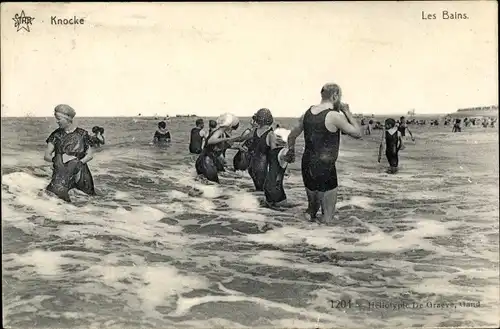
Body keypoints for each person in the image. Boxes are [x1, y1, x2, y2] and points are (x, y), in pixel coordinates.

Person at [284, 83, 362, 224]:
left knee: (311, 211)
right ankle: (322, 244)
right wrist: (347, 112)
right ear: (335, 96)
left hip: (307, 165)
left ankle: (299, 237)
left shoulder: (307, 113)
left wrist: (291, 151)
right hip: (325, 167)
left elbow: (291, 136)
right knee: (327, 217)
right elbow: (358, 133)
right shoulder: (334, 116)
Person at [44, 104, 96, 202]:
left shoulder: (82, 134)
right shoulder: (56, 135)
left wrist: (77, 162)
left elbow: (90, 155)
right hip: (61, 172)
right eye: (56, 118)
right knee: (56, 201)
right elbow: (47, 156)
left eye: (59, 119)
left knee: (87, 201)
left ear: (67, 118)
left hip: (80, 172)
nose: (57, 121)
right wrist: (59, 160)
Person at [195, 114, 243, 183]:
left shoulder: (219, 131)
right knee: (215, 186)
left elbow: (218, 147)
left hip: (203, 160)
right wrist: (226, 138)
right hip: (207, 162)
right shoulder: (219, 131)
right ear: (229, 125)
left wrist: (237, 147)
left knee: (207, 186)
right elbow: (210, 141)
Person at [245, 108, 274, 191]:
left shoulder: (255, 131)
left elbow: (242, 138)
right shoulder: (270, 133)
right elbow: (274, 154)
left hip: (252, 165)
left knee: (258, 189)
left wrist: (232, 140)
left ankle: (254, 203)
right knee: (263, 192)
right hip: (262, 166)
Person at [263, 128, 292, 207]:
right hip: (274, 190)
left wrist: (289, 157)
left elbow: (287, 156)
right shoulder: (274, 151)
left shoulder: (284, 151)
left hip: (273, 191)